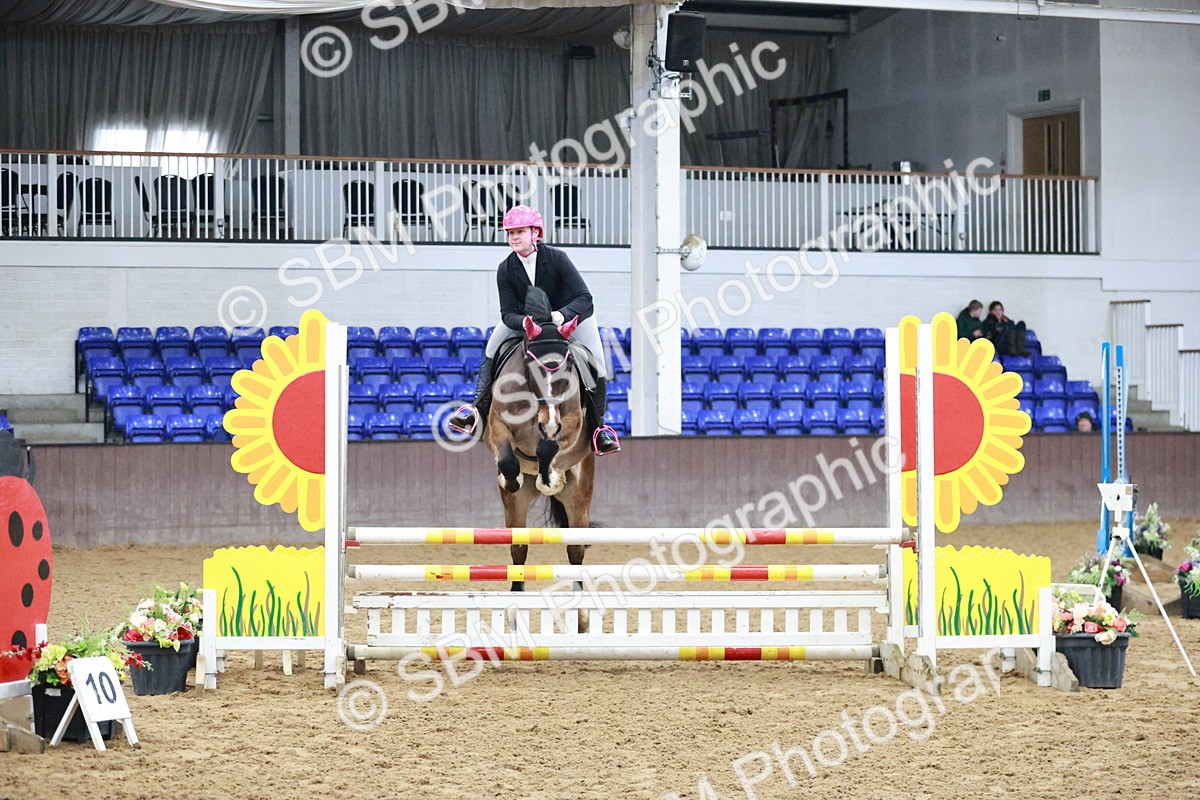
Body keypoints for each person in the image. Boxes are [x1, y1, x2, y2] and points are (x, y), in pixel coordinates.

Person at [448, 205, 620, 455]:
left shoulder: (557, 258)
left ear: (535, 233)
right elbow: (507, 314)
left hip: (568, 319)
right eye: (510, 233)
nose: (514, 237)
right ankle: (475, 411)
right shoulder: (506, 268)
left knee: (599, 363)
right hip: (528, 322)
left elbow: (585, 298)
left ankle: (599, 428)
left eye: (519, 231)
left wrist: (563, 315)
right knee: (491, 348)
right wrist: (526, 324)